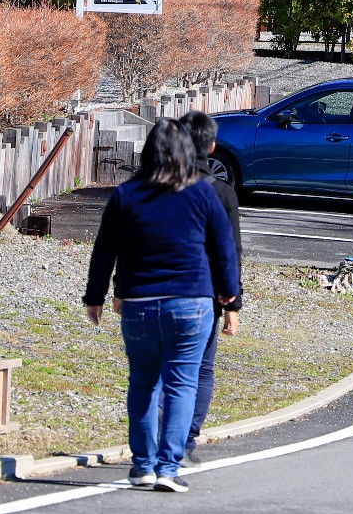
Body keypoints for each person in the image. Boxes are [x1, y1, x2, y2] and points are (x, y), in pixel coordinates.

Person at [83, 117, 240, 493]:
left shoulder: (127, 194)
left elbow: (104, 250)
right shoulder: (203, 193)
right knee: (182, 383)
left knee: (143, 383)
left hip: (139, 302)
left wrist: (96, 297)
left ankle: (142, 465)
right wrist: (229, 297)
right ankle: (169, 467)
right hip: (191, 302)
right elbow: (224, 251)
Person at [180, 109, 243, 463]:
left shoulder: (158, 187)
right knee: (202, 368)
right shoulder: (221, 193)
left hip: (158, 291)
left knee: (163, 368)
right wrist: (232, 302)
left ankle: (160, 436)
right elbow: (231, 250)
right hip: (205, 295)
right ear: (213, 146)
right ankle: (187, 437)